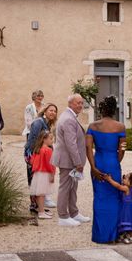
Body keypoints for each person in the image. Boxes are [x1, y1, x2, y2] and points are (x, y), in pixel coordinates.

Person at [85, 95, 126, 242]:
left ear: (101, 109)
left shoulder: (93, 126)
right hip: (113, 163)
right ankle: (113, 234)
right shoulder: (120, 127)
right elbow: (123, 149)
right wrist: (116, 161)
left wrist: (93, 167)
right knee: (114, 197)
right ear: (114, 109)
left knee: (99, 197)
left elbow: (88, 147)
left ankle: (100, 235)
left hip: (99, 161)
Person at [52, 93, 90, 227]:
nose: (80, 105)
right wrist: (78, 162)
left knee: (73, 187)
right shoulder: (68, 119)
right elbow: (71, 143)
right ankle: (63, 216)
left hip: (71, 160)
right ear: (70, 104)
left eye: (81, 103)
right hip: (68, 160)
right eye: (77, 103)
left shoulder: (70, 116)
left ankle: (74, 213)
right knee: (65, 187)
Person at [25, 104, 59, 212]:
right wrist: (34, 157)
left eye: (55, 111)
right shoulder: (38, 122)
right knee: (34, 180)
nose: (53, 112)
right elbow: (32, 141)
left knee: (39, 180)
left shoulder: (47, 123)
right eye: (51, 110)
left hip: (39, 154)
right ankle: (34, 206)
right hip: (33, 154)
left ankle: (39, 206)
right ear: (45, 111)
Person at [29, 132, 56, 220]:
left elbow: (32, 162)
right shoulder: (48, 150)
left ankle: (42, 211)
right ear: (44, 139)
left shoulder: (37, 149)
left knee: (40, 193)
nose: (52, 141)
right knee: (42, 193)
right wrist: (52, 174)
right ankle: (41, 212)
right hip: (45, 173)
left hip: (37, 174)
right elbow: (51, 164)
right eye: (51, 139)